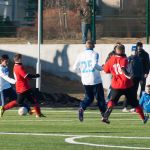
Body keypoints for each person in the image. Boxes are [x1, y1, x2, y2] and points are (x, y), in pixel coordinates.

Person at [103, 44, 149, 124]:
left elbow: (106, 70)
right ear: (123, 51)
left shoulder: (111, 59)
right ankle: (143, 118)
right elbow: (123, 69)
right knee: (134, 102)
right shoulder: (124, 59)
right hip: (126, 84)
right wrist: (128, 76)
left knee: (112, 100)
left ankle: (106, 115)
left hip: (116, 85)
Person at [73, 40, 107, 122]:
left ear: (85, 46)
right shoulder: (94, 54)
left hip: (85, 80)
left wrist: (82, 72)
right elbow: (94, 64)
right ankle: (104, 115)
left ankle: (81, 108)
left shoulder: (80, 55)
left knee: (89, 98)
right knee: (100, 98)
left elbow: (74, 68)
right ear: (93, 46)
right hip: (95, 80)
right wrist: (102, 68)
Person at [13, 53, 45, 118]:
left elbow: (25, 76)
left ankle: (37, 113)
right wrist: (36, 76)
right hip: (24, 88)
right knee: (33, 101)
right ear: (19, 59)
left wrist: (32, 77)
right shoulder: (19, 67)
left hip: (21, 87)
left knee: (20, 102)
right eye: (21, 58)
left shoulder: (15, 66)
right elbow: (26, 76)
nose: (22, 60)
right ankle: (37, 113)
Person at [122, 46, 143, 113]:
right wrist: (128, 75)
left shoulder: (139, 59)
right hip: (130, 78)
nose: (135, 51)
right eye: (134, 50)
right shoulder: (128, 58)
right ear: (131, 51)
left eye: (136, 50)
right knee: (128, 93)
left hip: (137, 78)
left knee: (134, 93)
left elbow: (140, 69)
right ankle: (124, 107)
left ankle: (133, 107)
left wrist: (141, 78)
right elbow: (124, 68)